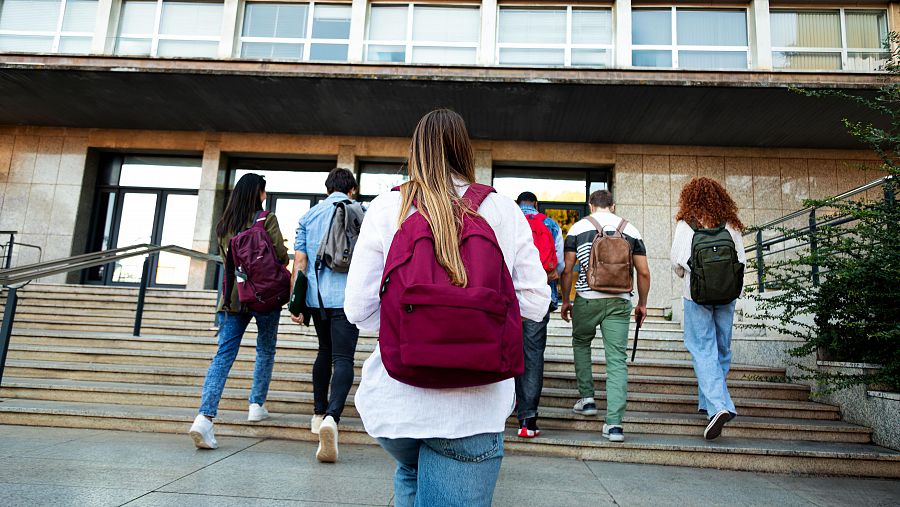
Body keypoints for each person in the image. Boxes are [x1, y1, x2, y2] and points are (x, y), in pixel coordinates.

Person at [344, 109, 550, 506]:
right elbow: (537, 302)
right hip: (473, 410)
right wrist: (480, 320)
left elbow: (358, 309)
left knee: (412, 470)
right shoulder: (502, 209)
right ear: (464, 150)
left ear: (416, 151)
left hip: (397, 402)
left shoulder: (389, 207)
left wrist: (415, 327)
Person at [189, 173, 289, 449]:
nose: (265, 196)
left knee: (223, 355)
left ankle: (204, 418)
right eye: (263, 191)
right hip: (265, 296)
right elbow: (281, 256)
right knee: (265, 349)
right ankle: (256, 404)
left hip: (233, 298)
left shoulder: (225, 224)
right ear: (258, 193)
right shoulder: (266, 219)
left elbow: (228, 263)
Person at [559, 190, 650, 443]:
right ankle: (614, 425)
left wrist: (566, 300)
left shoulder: (578, 228)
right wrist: (642, 304)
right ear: (613, 206)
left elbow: (567, 269)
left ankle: (587, 399)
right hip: (620, 301)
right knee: (617, 360)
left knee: (581, 342)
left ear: (590, 205)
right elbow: (643, 272)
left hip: (587, 299)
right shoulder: (631, 229)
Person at [291, 167, 361, 463]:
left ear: (327, 188)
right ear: (351, 189)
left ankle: (319, 414)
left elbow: (300, 261)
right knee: (343, 358)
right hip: (347, 299)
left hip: (316, 298)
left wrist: (295, 302)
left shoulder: (309, 216)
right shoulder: (360, 211)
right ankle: (333, 417)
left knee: (324, 351)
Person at [670, 177, 746, 440]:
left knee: (702, 349)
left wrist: (690, 274)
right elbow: (741, 260)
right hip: (727, 295)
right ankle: (709, 404)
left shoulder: (687, 224)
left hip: (696, 296)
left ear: (689, 197)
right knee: (721, 349)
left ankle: (718, 406)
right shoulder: (730, 224)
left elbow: (677, 262)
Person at [514, 191, 564, 438]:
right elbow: (560, 265)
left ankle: (500, 411)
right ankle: (528, 420)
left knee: (505, 352)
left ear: (518, 204)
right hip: (538, 300)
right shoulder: (550, 224)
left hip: (508, 300)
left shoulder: (509, 219)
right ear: (536, 204)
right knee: (532, 357)